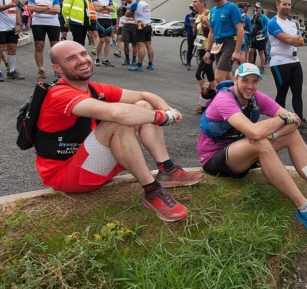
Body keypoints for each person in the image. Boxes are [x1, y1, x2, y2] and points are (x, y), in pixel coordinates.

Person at [34, 41, 204, 221]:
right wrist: (162, 117)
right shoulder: (59, 95)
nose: (82, 60)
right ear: (57, 68)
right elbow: (116, 113)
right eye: (71, 58)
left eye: (83, 54)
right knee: (117, 122)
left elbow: (145, 95)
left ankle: (167, 169)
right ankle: (152, 191)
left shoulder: (92, 88)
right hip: (67, 177)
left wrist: (167, 109)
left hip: (90, 163)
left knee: (143, 105)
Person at [197, 62, 307, 239]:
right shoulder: (224, 99)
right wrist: (280, 119)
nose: (250, 86)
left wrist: (273, 135)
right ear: (235, 79)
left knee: (290, 135)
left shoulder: (256, 97)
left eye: (255, 81)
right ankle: (305, 209)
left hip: (244, 151)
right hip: (215, 159)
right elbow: (256, 131)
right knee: (261, 141)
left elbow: (295, 121)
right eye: (245, 80)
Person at [267, 0, 307, 130]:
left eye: (289, 5)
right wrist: (293, 39)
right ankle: (277, 122)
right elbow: (286, 40)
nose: (287, 7)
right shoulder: (272, 22)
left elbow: (301, 42)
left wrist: (291, 39)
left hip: (294, 61)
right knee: (282, 92)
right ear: (277, 5)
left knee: (297, 91)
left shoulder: (293, 23)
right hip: (279, 62)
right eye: (284, 4)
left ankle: (299, 120)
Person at [203, 0, 244, 85]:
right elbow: (212, 32)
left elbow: (240, 29)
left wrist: (237, 51)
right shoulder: (212, 11)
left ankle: (225, 100)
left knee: (219, 77)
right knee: (227, 76)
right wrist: (208, 51)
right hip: (217, 45)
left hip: (229, 43)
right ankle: (237, 96)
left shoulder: (232, 8)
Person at [27, 0, 60, 80]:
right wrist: (48, 8)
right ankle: (41, 69)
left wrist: (39, 9)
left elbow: (57, 10)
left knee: (55, 48)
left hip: (53, 23)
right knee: (39, 46)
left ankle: (57, 69)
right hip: (38, 23)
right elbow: (31, 8)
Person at [192, 0, 214, 114]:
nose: (193, 4)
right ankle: (214, 100)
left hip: (209, 48)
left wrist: (207, 22)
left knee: (198, 74)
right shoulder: (197, 16)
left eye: (195, 1)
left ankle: (204, 102)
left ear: (203, 3)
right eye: (193, 2)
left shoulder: (209, 14)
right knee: (211, 77)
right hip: (201, 47)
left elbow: (214, 30)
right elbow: (199, 33)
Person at [0, 0, 25, 80]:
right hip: (1, 27)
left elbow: (17, 11)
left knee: (12, 48)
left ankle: (12, 71)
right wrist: (10, 5)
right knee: (0, 49)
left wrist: (19, 24)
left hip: (12, 27)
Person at [126, 0, 154, 71]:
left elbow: (127, 14)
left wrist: (129, 13)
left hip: (140, 25)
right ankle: (151, 64)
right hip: (148, 25)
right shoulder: (147, 4)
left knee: (140, 46)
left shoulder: (136, 4)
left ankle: (139, 65)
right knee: (149, 45)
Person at [92, 0, 116, 67]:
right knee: (101, 40)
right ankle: (97, 58)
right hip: (100, 19)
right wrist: (106, 7)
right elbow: (96, 8)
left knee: (108, 40)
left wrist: (103, 6)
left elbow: (113, 9)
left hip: (108, 19)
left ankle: (105, 59)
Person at [248, 2, 269, 72]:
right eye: (255, 7)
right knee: (251, 52)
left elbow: (268, 24)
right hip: (254, 37)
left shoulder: (264, 17)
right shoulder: (253, 16)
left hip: (261, 37)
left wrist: (262, 30)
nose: (256, 9)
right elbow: (250, 24)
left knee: (261, 52)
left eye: (258, 8)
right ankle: (249, 66)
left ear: (261, 8)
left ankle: (262, 67)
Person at [184, 3, 197, 70]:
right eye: (193, 8)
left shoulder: (200, 15)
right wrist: (191, 24)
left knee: (201, 49)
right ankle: (188, 63)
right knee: (190, 49)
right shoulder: (188, 16)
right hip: (191, 34)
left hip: (199, 35)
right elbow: (186, 24)